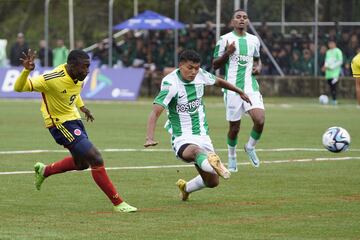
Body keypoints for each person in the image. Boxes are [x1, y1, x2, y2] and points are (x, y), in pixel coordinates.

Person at [14, 49, 137, 213]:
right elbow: (18, 88)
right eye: (84, 67)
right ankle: (118, 203)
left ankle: (45, 170)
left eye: (88, 67)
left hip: (75, 120)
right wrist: (26, 71)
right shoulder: (51, 78)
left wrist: (83, 107)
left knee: (82, 163)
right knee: (96, 158)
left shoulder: (78, 76)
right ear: (71, 66)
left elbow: (73, 91)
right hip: (59, 124)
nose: (87, 71)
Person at [144, 49, 251, 201]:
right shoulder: (171, 83)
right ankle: (214, 164)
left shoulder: (201, 75)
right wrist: (149, 137)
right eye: (190, 68)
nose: (194, 72)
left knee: (212, 182)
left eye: (196, 68)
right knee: (195, 152)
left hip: (202, 135)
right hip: (182, 137)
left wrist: (238, 90)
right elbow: (155, 112)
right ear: (180, 65)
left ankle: (186, 187)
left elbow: (218, 81)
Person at [212, 9, 264, 172]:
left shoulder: (254, 40)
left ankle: (250, 147)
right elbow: (215, 65)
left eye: (245, 17)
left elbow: (257, 59)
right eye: (238, 17)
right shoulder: (224, 39)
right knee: (234, 128)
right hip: (232, 89)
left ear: (247, 21)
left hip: (251, 87)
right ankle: (232, 156)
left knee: (260, 120)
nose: (242, 19)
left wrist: (258, 67)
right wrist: (228, 53)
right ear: (232, 22)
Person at [321, 39, 343, 105]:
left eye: (331, 43)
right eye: (329, 44)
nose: (330, 45)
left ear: (334, 44)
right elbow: (327, 61)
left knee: (334, 86)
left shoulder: (338, 51)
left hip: (335, 73)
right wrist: (324, 66)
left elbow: (340, 61)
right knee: (330, 87)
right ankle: (333, 99)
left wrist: (331, 67)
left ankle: (335, 100)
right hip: (328, 74)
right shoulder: (328, 52)